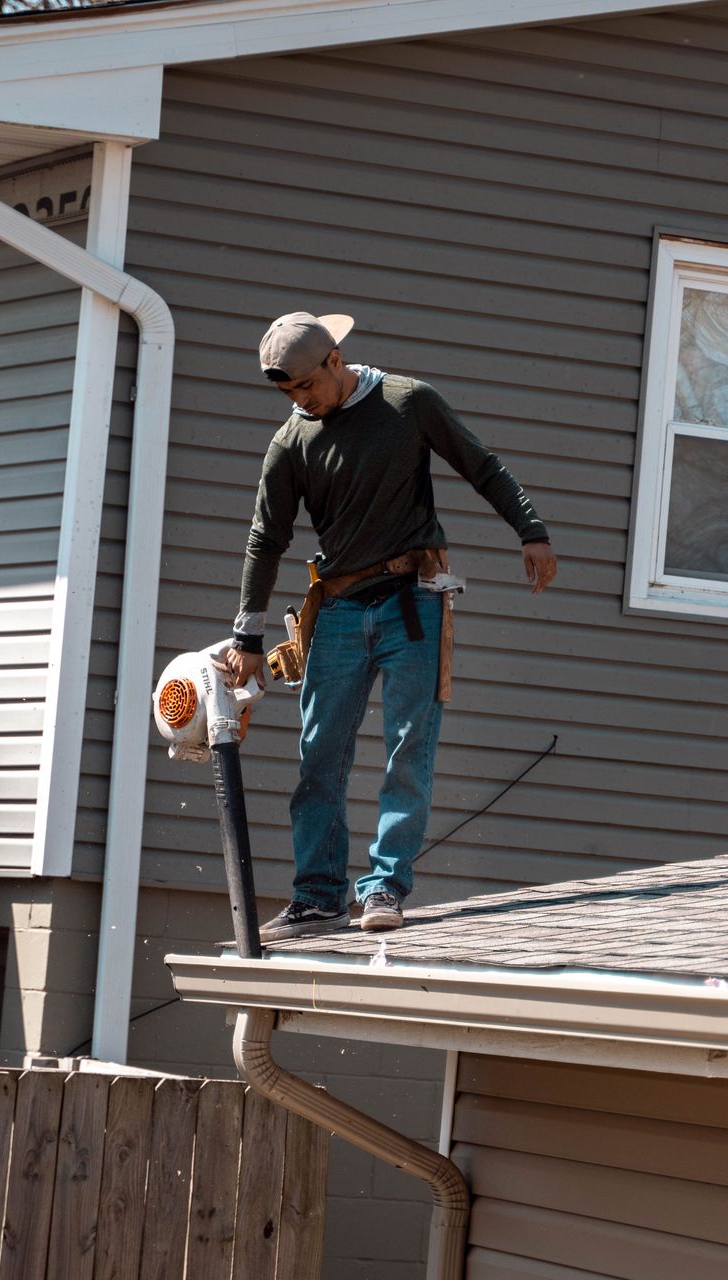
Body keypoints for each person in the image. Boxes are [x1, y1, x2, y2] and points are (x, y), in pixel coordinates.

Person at [222, 311, 556, 938]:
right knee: (320, 755)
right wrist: (248, 634)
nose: (300, 401)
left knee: (409, 747)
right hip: (341, 610)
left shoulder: (408, 402)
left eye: (306, 386)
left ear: (334, 361)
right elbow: (266, 538)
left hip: (415, 600)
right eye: (287, 393)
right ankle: (317, 897)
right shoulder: (292, 444)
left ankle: (383, 890)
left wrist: (530, 530)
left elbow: (480, 465)